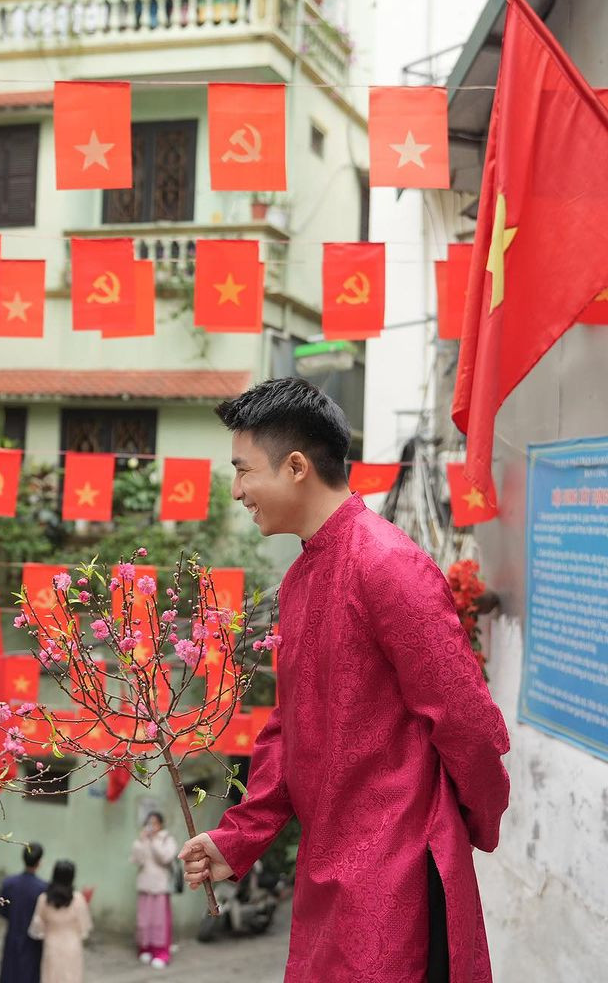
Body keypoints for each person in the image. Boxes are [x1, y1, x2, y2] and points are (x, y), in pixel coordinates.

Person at [178, 378, 510, 983]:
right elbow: (291, 728)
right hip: (328, 868)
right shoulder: (300, 581)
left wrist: (464, 825)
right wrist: (238, 838)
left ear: (296, 467)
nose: (237, 490)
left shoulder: (390, 565)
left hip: (399, 876)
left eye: (243, 470)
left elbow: (469, 722)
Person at [28, 859, 92, 983]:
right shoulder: (78, 899)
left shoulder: (44, 899)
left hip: (51, 945)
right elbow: (84, 927)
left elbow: (37, 927)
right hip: (73, 946)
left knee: (51, 977)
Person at [131, 811, 177, 969]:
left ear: (161, 824)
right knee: (144, 921)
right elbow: (137, 860)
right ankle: (144, 948)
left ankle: (161, 953)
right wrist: (141, 841)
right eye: (149, 823)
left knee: (159, 922)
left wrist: (155, 841)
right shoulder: (143, 839)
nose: (152, 826)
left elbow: (165, 858)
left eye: (155, 823)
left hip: (160, 887)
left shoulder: (167, 839)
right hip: (145, 886)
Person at [0, 842, 48, 983]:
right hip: (33, 941)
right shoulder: (43, 888)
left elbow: (2, 911)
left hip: (12, 935)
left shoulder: (9, 883)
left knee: (10, 972)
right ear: (39, 862)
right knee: (29, 974)